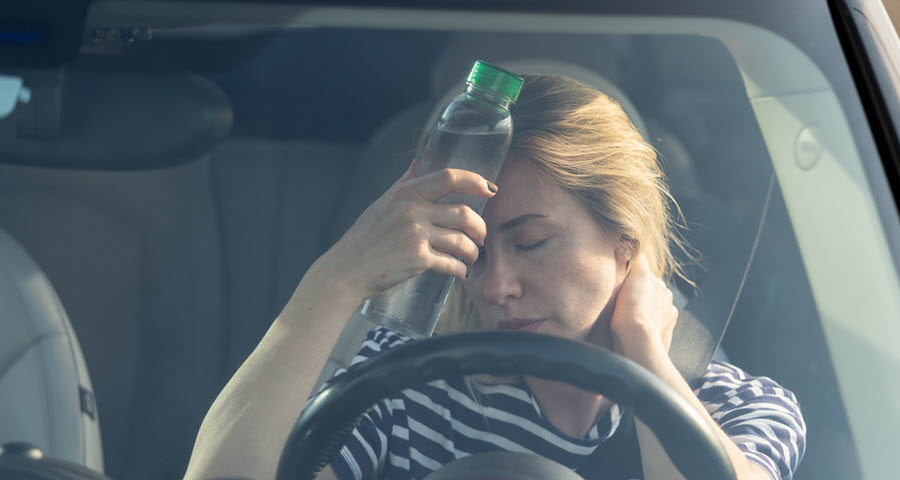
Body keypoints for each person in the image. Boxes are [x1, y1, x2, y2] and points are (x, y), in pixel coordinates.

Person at [184, 74, 806, 480]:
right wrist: (335, 280)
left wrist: (643, 350)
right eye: (472, 253)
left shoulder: (738, 408)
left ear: (625, 242)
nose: (495, 286)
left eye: (532, 243)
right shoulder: (408, 385)